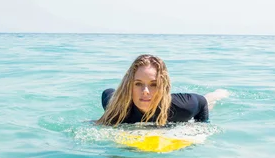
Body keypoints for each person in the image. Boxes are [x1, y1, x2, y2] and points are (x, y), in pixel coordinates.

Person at [96, 54, 229, 126]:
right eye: (138, 84)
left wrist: (201, 126)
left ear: (163, 86)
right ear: (128, 86)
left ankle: (218, 94)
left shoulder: (181, 108)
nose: (145, 91)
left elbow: (201, 103)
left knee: (209, 100)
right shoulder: (116, 108)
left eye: (154, 84)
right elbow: (107, 92)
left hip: (177, 102)